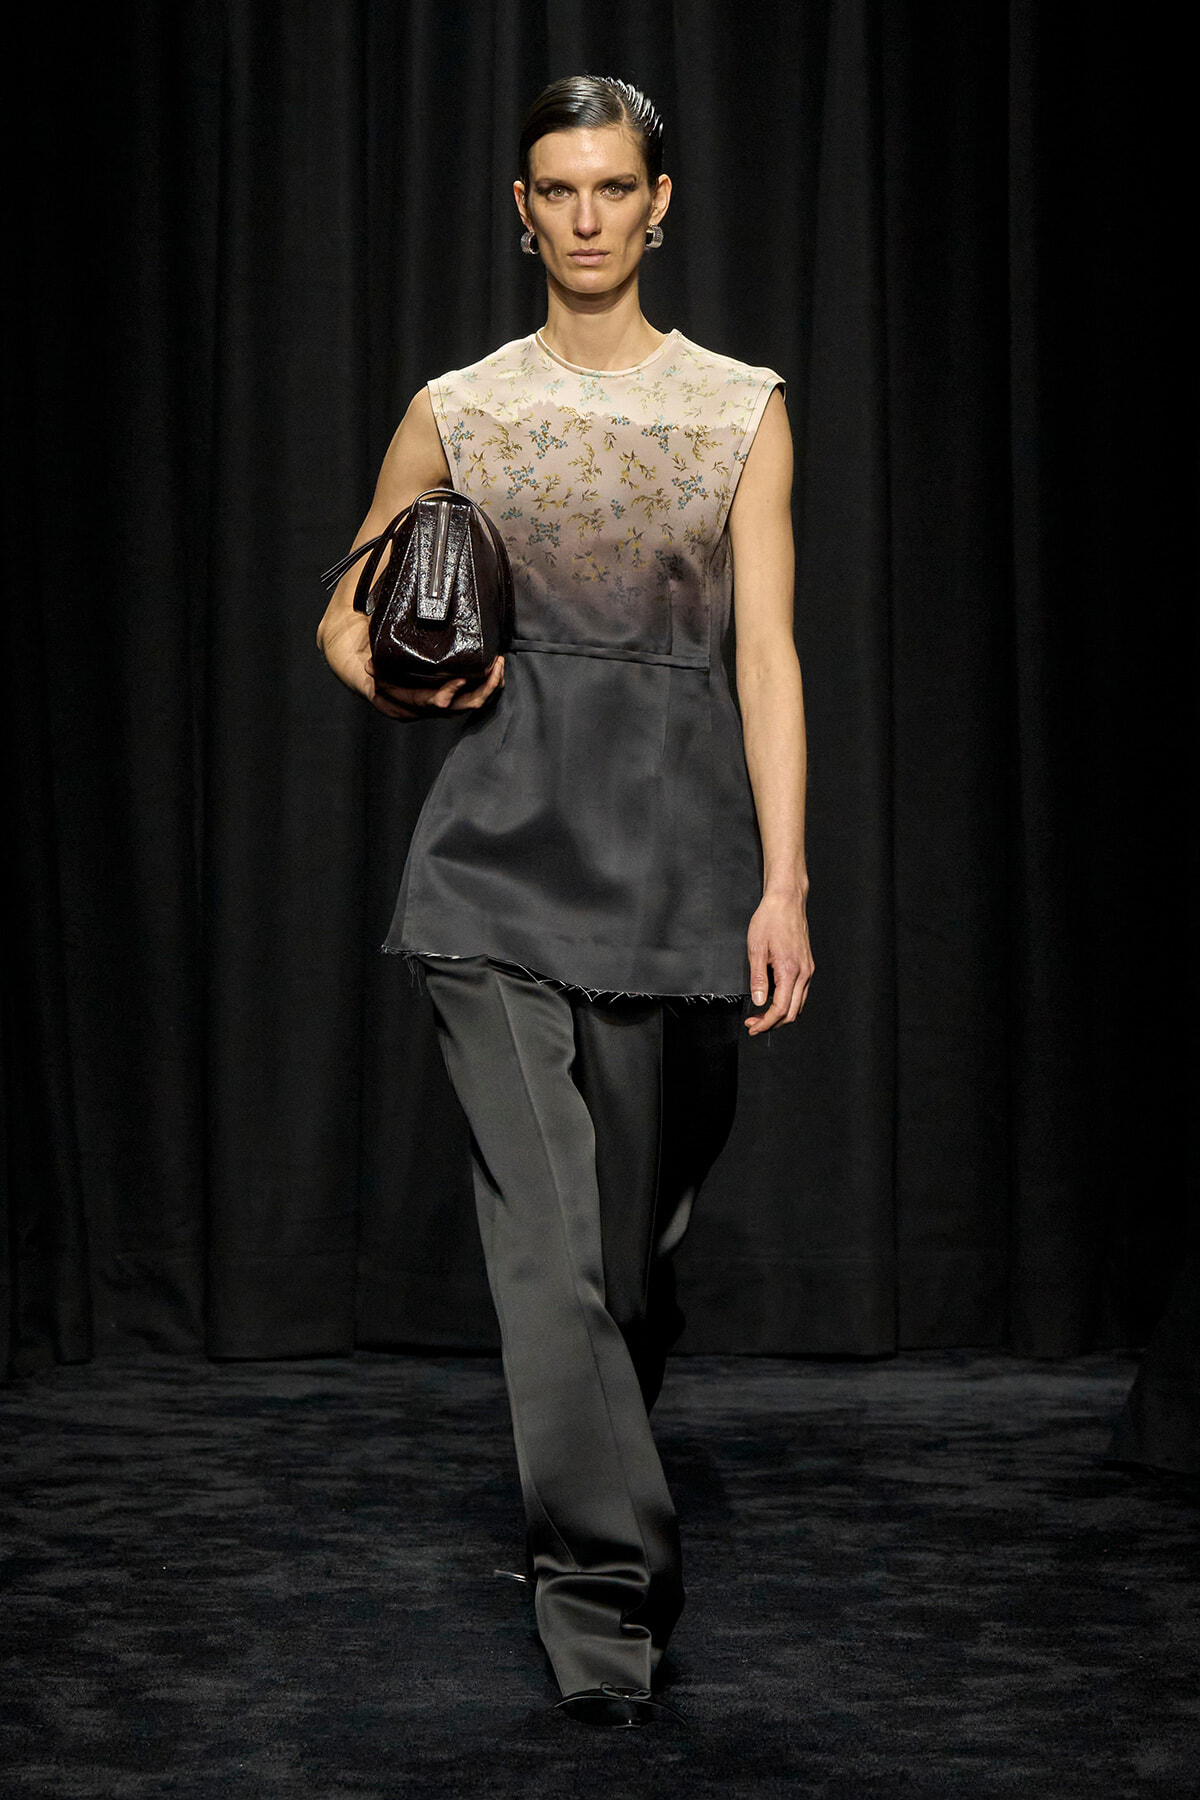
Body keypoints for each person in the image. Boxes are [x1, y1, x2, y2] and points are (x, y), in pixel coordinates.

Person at [317, 74, 814, 1728]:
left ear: (659, 202)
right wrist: (387, 675)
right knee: (545, 1252)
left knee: (625, 1261)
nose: (586, 217)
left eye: (614, 188)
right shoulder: (459, 406)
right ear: (520, 209)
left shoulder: (740, 406)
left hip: (678, 868)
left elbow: (767, 654)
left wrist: (786, 882)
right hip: (493, 861)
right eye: (557, 190)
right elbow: (355, 594)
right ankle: (602, 1600)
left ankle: (598, 1490)